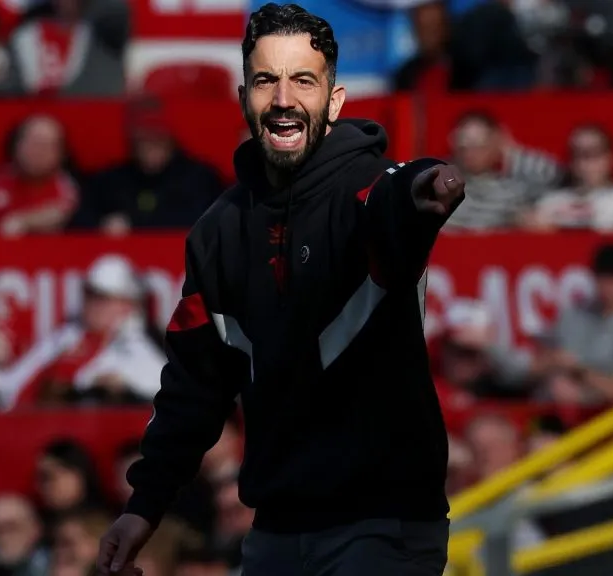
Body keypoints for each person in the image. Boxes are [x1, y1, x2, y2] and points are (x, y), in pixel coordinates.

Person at [97, 4, 466, 576]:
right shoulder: (218, 231)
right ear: (245, 95)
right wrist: (143, 508)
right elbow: (194, 388)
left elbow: (403, 189)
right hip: (274, 536)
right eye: (267, 80)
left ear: (335, 101)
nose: (284, 99)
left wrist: (428, 188)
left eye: (303, 81)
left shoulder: (367, 189)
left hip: (382, 528)